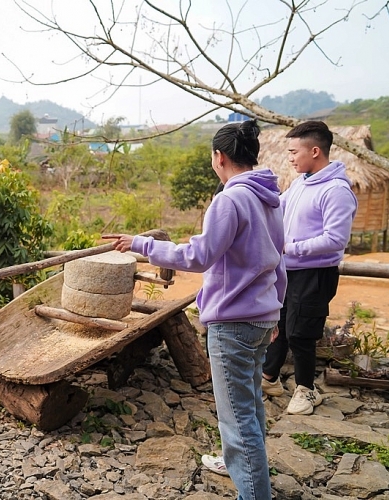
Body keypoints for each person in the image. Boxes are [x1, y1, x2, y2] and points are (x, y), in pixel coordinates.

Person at [104, 120, 285, 500]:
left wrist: (142, 244)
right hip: (260, 317)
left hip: (233, 323)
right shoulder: (270, 198)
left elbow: (198, 255)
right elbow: (278, 262)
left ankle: (254, 492)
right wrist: (276, 312)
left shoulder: (230, 199)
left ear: (219, 157)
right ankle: (242, 469)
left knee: (237, 418)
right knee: (249, 404)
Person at [261, 121, 358, 415]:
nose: (290, 158)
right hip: (288, 270)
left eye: (293, 152)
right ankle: (269, 378)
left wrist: (291, 247)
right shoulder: (301, 182)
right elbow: (279, 205)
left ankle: (307, 390)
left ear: (315, 151)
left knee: (302, 332)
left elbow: (335, 239)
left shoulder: (336, 190)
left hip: (315, 274)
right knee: (280, 325)